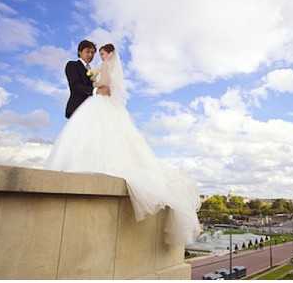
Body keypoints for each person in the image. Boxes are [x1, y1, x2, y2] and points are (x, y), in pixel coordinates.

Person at [45, 41, 202, 245]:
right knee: (84, 138)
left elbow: (107, 88)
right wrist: (94, 90)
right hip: (83, 107)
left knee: (98, 137)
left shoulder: (97, 69)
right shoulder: (73, 65)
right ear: (80, 52)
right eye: (89, 51)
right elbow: (76, 86)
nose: (92, 54)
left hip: (95, 106)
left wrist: (97, 89)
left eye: (95, 52)